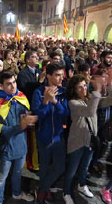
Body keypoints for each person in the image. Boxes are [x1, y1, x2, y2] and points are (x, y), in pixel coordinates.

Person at [63, 73, 112, 204]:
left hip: (90, 140)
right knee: (71, 170)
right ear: (73, 90)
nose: (84, 89)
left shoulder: (91, 98)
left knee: (85, 167)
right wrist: (97, 91)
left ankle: (82, 185)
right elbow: (90, 111)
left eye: (84, 86)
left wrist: (111, 84)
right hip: (77, 141)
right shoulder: (72, 102)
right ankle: (66, 191)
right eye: (79, 87)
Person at [0, 71, 37, 204]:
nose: (13, 87)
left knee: (18, 173)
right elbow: (2, 131)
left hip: (21, 146)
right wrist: (20, 126)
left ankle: (17, 193)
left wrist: (30, 120)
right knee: (1, 178)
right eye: (8, 84)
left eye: (14, 82)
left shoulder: (21, 98)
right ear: (1, 85)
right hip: (6, 148)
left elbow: (26, 119)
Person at [32, 62, 69, 204]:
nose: (61, 78)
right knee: (44, 168)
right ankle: (44, 189)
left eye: (62, 75)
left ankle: (42, 189)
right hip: (44, 137)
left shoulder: (62, 92)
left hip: (59, 137)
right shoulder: (38, 93)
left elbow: (66, 112)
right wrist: (46, 102)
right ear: (48, 76)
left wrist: (54, 101)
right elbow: (38, 115)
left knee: (60, 167)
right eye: (57, 75)